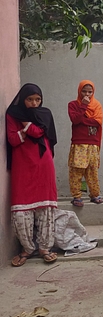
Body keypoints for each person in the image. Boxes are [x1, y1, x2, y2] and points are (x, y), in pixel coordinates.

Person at [6, 83, 59, 266]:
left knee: (45, 208)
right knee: (21, 211)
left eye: (38, 99)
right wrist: (26, 127)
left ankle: (45, 248)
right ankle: (27, 249)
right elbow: (12, 140)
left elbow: (39, 132)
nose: (34, 103)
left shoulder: (45, 114)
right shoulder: (12, 114)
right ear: (22, 99)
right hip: (22, 165)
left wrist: (26, 124)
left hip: (43, 164)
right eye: (29, 99)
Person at [68, 80, 103, 207]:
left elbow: (97, 122)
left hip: (92, 144)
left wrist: (84, 120)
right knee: (76, 171)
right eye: (84, 91)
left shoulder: (97, 105)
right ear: (79, 91)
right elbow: (75, 120)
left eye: (90, 91)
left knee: (92, 171)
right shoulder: (73, 105)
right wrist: (83, 106)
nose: (87, 94)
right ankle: (77, 196)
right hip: (79, 144)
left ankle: (95, 195)